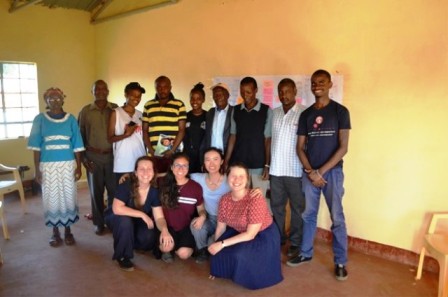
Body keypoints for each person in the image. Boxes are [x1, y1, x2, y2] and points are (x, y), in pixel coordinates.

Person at [287, 69, 351, 282]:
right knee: (308, 215)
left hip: (332, 173)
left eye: (321, 82)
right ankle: (305, 253)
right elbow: (300, 148)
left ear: (330, 84)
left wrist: (320, 172)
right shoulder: (306, 115)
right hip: (310, 174)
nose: (317, 85)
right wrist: (310, 172)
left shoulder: (340, 111)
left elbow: (343, 147)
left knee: (337, 218)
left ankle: (340, 261)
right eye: (314, 82)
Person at [208, 162, 283, 290]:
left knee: (239, 254)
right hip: (238, 231)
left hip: (262, 235)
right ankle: (223, 270)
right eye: (233, 176)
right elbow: (220, 227)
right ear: (227, 178)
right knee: (217, 249)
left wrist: (221, 244)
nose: (237, 180)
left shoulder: (255, 199)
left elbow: (250, 234)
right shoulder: (224, 199)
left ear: (247, 179)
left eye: (241, 176)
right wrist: (217, 249)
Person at [27, 87, 84, 247]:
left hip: (67, 165)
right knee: (51, 199)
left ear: (63, 99)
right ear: (46, 101)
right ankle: (55, 232)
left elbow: (77, 146)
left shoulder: (71, 119)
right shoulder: (39, 119)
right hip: (48, 166)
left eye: (58, 97)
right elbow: (36, 147)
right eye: (50, 98)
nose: (54, 100)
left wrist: (79, 167)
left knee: (68, 196)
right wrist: (37, 169)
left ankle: (68, 231)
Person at [105, 156, 174, 271]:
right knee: (125, 222)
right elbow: (117, 209)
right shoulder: (126, 185)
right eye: (142, 169)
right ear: (135, 172)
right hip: (118, 218)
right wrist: (143, 214)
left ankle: (129, 241)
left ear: (153, 173)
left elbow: (159, 218)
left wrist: (165, 230)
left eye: (149, 169)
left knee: (149, 237)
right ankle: (122, 256)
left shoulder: (154, 191)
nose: (146, 172)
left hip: (136, 221)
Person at [270, 78, 306, 256]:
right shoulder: (274, 113)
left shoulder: (304, 113)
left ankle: (296, 242)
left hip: (295, 171)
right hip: (276, 170)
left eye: (287, 91)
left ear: (295, 92)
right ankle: (278, 238)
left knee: (297, 209)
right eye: (280, 92)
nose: (284, 95)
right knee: (276, 206)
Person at [78, 80, 118, 235]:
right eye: (97, 89)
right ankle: (98, 222)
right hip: (93, 157)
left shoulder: (115, 109)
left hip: (113, 158)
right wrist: (83, 159)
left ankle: (113, 221)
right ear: (92, 91)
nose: (100, 91)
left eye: (103, 88)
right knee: (96, 192)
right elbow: (79, 137)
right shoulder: (86, 111)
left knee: (114, 192)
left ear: (108, 91)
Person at [224, 77, 272, 197]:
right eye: (242, 92)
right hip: (239, 166)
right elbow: (233, 136)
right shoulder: (236, 110)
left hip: (259, 166)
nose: (245, 95)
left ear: (256, 90)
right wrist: (226, 161)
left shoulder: (266, 111)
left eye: (248, 92)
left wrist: (267, 165)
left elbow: (268, 139)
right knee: (240, 201)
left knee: (258, 201)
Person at [158, 152, 206, 263]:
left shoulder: (195, 187)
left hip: (186, 227)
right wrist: (129, 175)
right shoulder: (162, 183)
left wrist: (202, 216)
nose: (181, 168)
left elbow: (201, 209)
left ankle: (177, 246)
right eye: (177, 165)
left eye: (185, 165)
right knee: (166, 247)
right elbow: (146, 178)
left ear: (189, 168)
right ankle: (169, 248)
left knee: (183, 254)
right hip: (166, 226)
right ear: (172, 167)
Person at [190, 147, 230, 263]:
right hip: (209, 217)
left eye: (215, 159)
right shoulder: (198, 178)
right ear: (203, 162)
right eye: (207, 159)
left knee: (213, 246)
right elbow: (179, 173)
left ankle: (210, 244)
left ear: (222, 161)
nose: (211, 163)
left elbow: (244, 188)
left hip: (227, 221)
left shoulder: (229, 180)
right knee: (195, 225)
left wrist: (255, 191)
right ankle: (202, 250)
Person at [142, 76, 186, 174]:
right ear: (155, 88)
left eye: (165, 87)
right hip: (153, 155)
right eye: (159, 87)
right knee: (154, 182)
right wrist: (151, 151)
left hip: (172, 154)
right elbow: (145, 130)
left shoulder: (179, 105)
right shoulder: (148, 105)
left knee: (171, 183)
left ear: (170, 87)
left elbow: (182, 130)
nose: (162, 90)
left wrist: (172, 150)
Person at [107, 82, 146, 184]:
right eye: (133, 95)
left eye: (139, 96)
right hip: (123, 163)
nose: (136, 99)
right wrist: (126, 135)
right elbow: (110, 138)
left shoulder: (140, 114)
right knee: (124, 194)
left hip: (140, 160)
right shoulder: (116, 113)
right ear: (126, 95)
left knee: (138, 194)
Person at [201, 83, 233, 161]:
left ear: (227, 96)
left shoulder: (234, 112)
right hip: (212, 158)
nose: (217, 97)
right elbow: (207, 136)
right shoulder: (209, 113)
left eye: (220, 94)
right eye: (215, 95)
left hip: (229, 157)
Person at [184, 82, 206, 173]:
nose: (195, 101)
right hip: (187, 156)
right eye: (192, 98)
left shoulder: (208, 116)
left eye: (198, 99)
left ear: (203, 100)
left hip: (203, 157)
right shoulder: (185, 116)